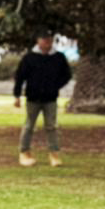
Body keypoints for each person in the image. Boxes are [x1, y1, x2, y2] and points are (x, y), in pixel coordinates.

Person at [13, 33, 71, 166]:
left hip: (50, 98)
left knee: (52, 126)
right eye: (44, 39)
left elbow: (66, 75)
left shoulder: (58, 57)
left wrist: (55, 85)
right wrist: (17, 96)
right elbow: (20, 77)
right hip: (32, 98)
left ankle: (54, 154)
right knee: (29, 125)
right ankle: (24, 152)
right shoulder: (29, 58)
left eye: (49, 40)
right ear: (38, 40)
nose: (47, 42)